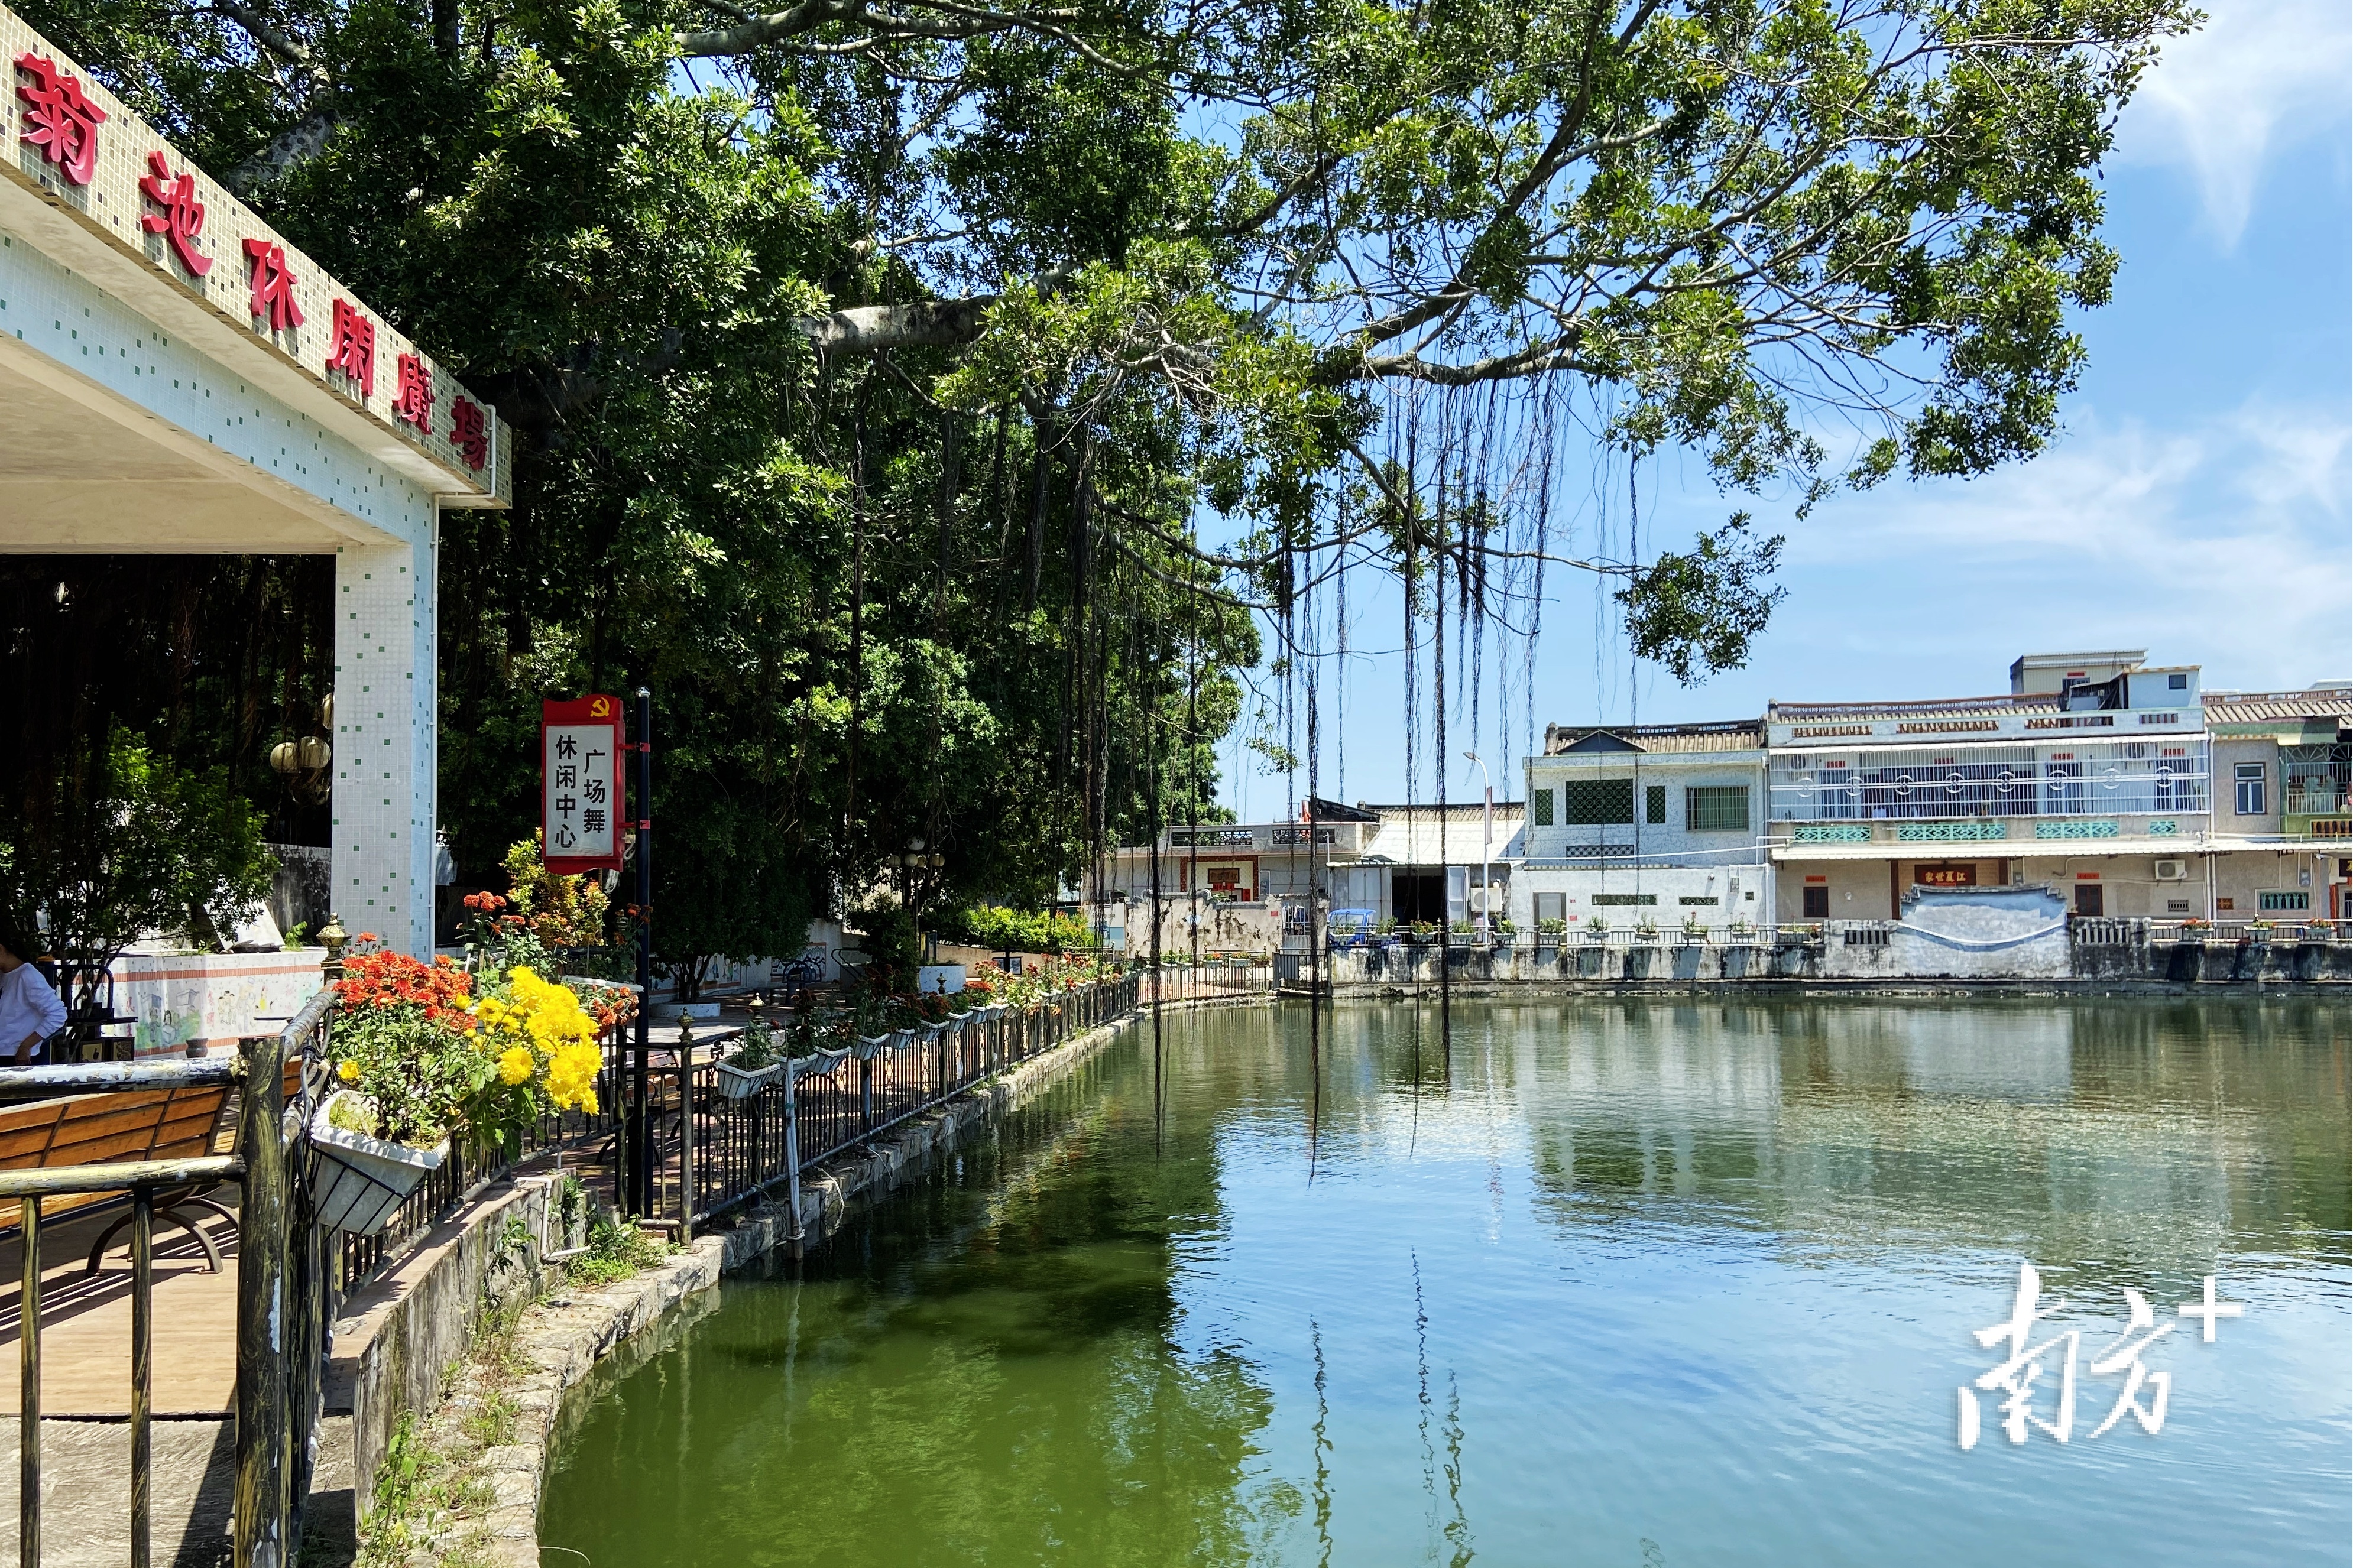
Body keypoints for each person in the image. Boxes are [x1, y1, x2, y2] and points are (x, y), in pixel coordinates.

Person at [0, 916, 67, 1066]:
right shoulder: (5, 976)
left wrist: (26, 1046)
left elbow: (58, 1014)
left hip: (14, 1057)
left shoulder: (27, 975)